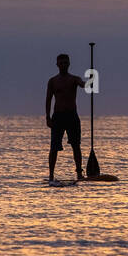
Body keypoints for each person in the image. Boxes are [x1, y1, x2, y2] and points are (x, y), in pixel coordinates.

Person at [45, 53, 86, 181]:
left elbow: (83, 84)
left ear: (69, 64)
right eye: (61, 63)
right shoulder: (52, 81)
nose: (63, 65)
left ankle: (79, 173)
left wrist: (89, 80)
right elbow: (48, 99)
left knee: (76, 145)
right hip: (57, 117)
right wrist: (47, 117)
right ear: (57, 64)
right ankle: (51, 175)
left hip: (72, 116)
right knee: (54, 147)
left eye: (65, 63)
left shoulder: (74, 79)